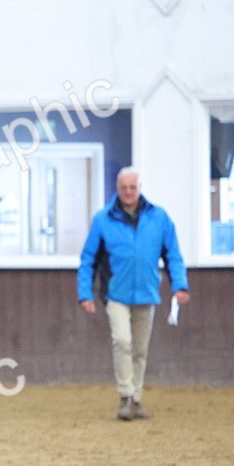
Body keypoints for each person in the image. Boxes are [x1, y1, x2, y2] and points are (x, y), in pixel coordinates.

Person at [77, 167, 190, 421]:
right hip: (115, 293)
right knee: (122, 341)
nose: (128, 192)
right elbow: (88, 260)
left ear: (139, 188)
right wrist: (85, 293)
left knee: (140, 349)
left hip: (147, 293)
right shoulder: (102, 220)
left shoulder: (159, 218)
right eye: (124, 187)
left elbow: (173, 255)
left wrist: (180, 286)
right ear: (117, 189)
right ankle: (125, 396)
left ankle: (136, 399)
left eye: (133, 187)